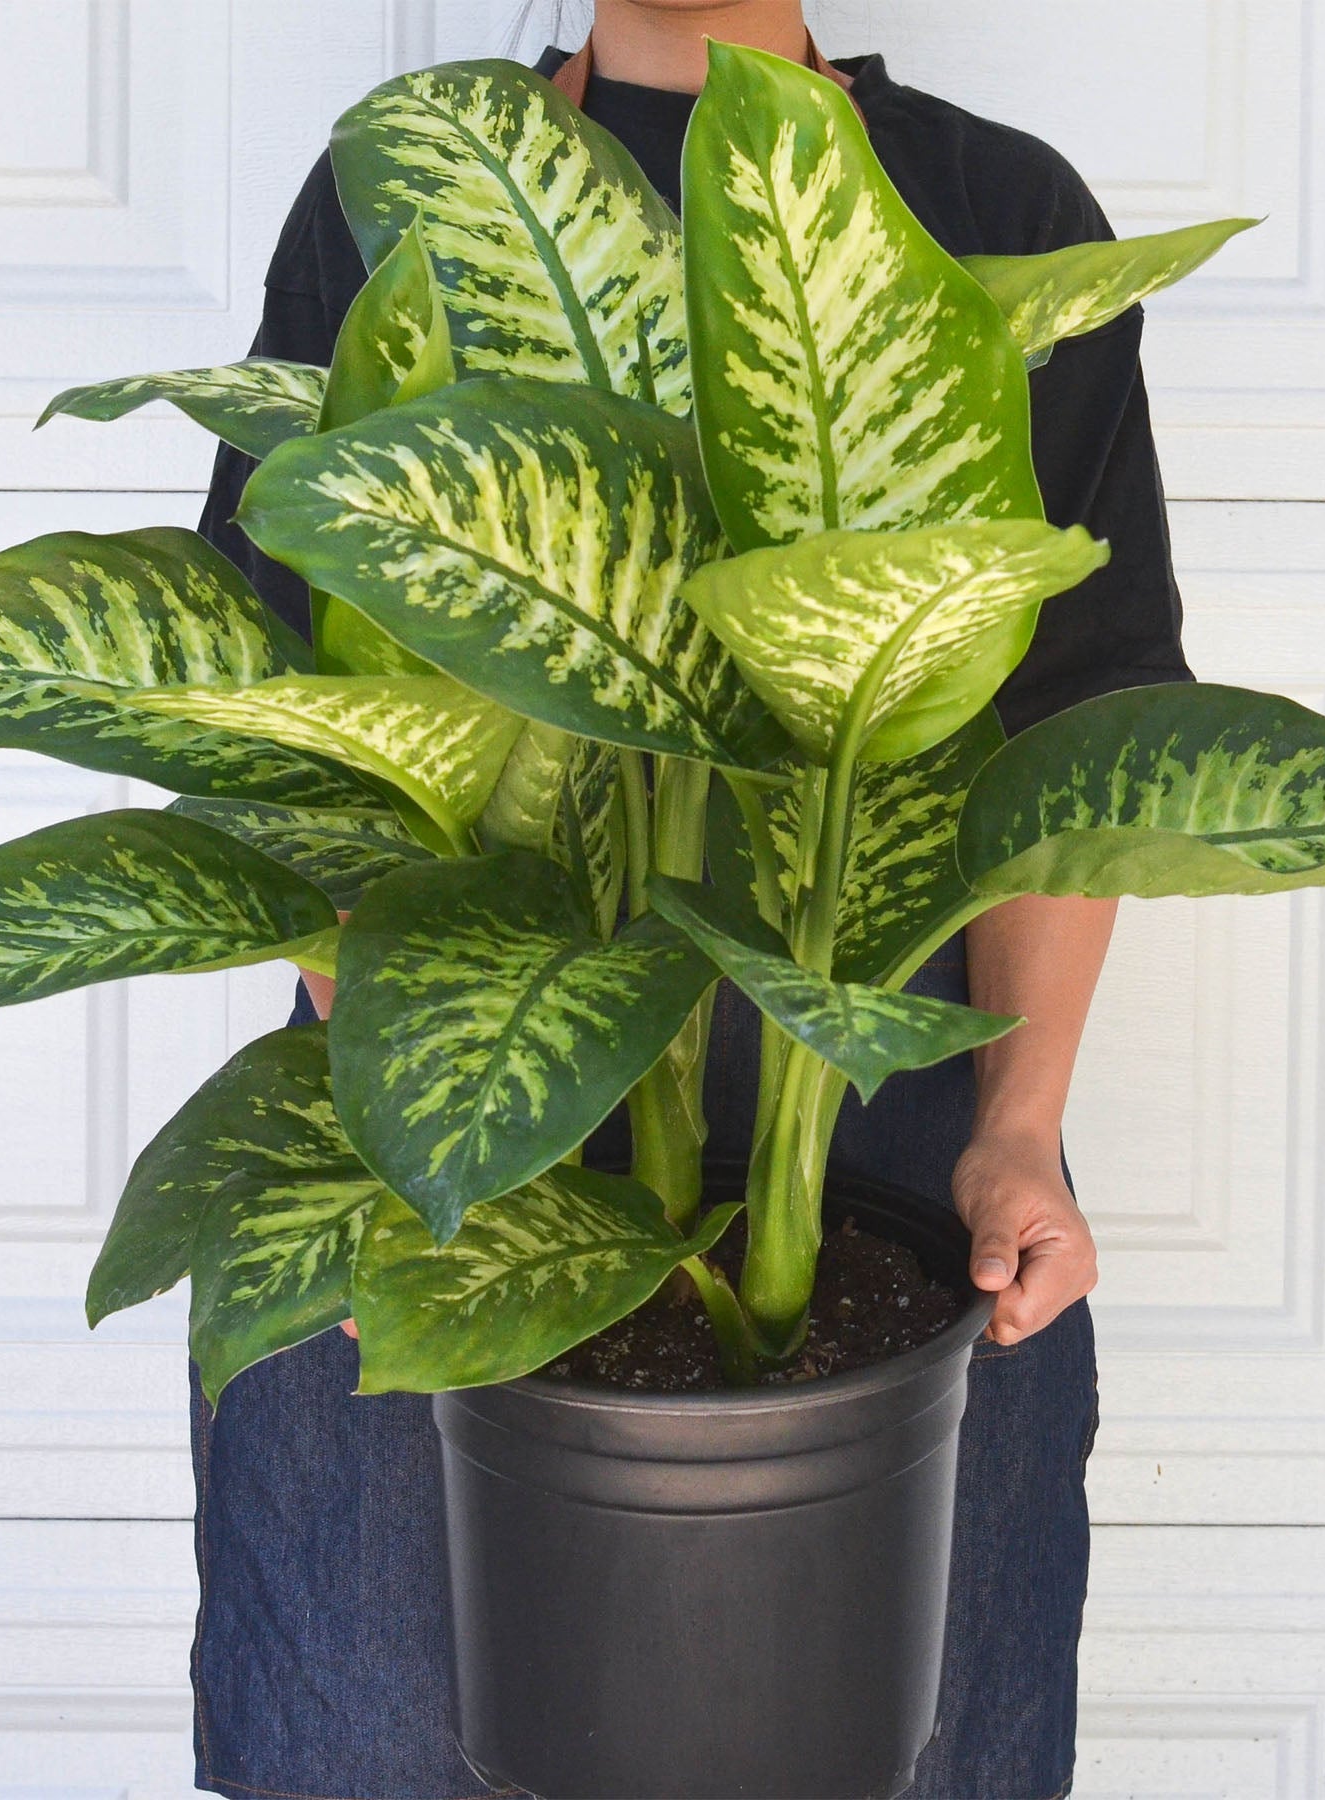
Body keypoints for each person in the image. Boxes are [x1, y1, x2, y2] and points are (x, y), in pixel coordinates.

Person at [191, 3, 1192, 1795]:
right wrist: (433, 1141)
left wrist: (1018, 1130)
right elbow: (291, 704)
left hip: (883, 1118)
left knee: (901, 1737)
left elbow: (1076, 735)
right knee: (376, 1724)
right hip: (465, 1089)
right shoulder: (422, 177)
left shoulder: (994, 205)